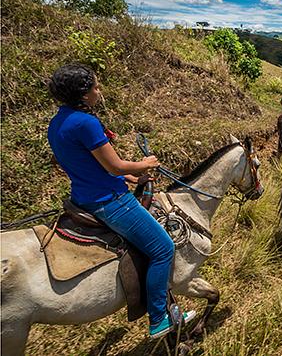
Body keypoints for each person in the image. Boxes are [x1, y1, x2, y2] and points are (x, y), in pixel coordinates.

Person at [46, 64, 195, 339]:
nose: (99, 92)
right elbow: (113, 166)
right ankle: (159, 318)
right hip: (110, 201)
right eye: (96, 87)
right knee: (163, 248)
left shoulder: (56, 123)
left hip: (82, 197)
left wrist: (131, 177)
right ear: (83, 93)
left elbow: (94, 165)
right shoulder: (86, 122)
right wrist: (144, 164)